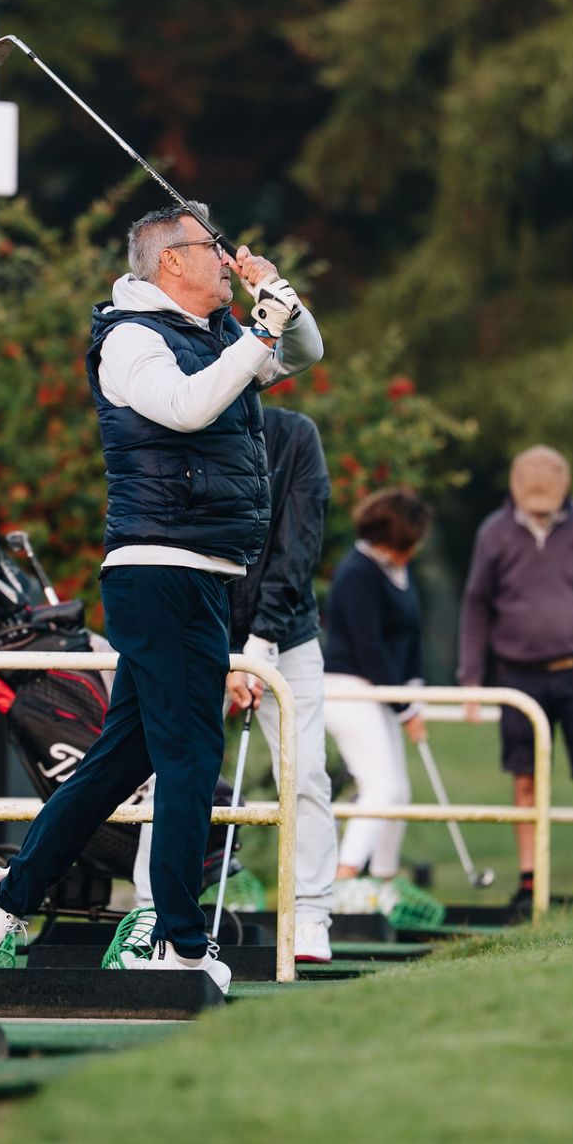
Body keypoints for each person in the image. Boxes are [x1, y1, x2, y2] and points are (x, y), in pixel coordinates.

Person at [0, 204, 323, 991]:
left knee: (124, 757)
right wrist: (259, 330)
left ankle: (10, 892)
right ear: (170, 262)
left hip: (202, 573)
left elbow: (304, 350)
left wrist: (277, 301)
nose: (225, 256)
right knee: (191, 753)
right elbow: (186, 407)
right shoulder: (129, 338)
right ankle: (180, 941)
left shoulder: (215, 333)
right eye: (211, 246)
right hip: (159, 569)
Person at [457, 446, 573, 913]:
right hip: (517, 677)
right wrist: (471, 678)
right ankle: (530, 885)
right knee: (525, 781)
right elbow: (476, 607)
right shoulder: (494, 533)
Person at [223, 407, 336, 962]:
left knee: (305, 770)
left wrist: (261, 642)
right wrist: (224, 653)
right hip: (202, 629)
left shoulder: (294, 435)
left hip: (286, 636)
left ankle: (310, 914)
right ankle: (153, 908)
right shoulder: (185, 419)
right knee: (165, 767)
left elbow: (299, 543)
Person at [321, 489, 433, 908]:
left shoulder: (398, 570)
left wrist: (412, 693)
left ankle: (384, 879)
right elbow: (368, 647)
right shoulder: (357, 572)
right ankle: (343, 879)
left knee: (398, 791)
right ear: (388, 538)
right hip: (347, 688)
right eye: (407, 543)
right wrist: (405, 709)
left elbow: (410, 636)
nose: (412, 551)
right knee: (380, 787)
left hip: (382, 690)